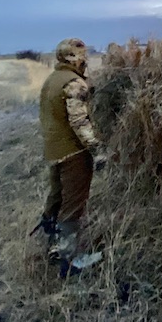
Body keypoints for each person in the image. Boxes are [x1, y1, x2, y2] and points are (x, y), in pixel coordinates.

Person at [36, 37, 105, 273]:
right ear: (75, 58)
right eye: (82, 55)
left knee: (57, 197)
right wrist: (97, 150)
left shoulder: (52, 79)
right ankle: (68, 260)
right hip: (73, 153)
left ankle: (52, 244)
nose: (84, 60)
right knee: (73, 204)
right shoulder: (74, 83)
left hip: (53, 151)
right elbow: (79, 122)